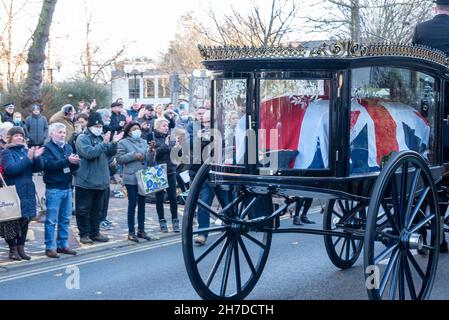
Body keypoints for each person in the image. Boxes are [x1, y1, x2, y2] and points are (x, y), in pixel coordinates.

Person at [413, 0, 449, 254]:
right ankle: (438, 232)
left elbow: (414, 64)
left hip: (424, 106)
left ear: (435, 7)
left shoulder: (421, 29)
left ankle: (419, 224)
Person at [74, 112, 123, 244]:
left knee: (97, 210)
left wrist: (113, 143)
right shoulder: (82, 138)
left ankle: (95, 232)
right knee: (83, 210)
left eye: (101, 125)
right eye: (97, 125)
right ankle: (84, 234)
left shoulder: (101, 137)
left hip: (101, 181)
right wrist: (104, 143)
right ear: (90, 126)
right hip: (86, 182)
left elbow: (110, 153)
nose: (99, 128)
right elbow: (89, 153)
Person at [0, 126, 44, 261]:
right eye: (16, 135)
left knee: (25, 219)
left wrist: (36, 158)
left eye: (21, 136)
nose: (19, 137)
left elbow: (38, 168)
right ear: (10, 138)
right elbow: (11, 169)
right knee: (12, 221)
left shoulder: (26, 151)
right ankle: (12, 250)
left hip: (28, 190)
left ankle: (21, 248)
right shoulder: (6, 153)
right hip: (14, 191)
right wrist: (28, 158)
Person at [41, 123, 80, 258]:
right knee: (51, 220)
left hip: (67, 187)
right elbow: (48, 165)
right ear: (51, 134)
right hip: (54, 188)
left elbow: (72, 167)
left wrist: (75, 163)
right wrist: (66, 161)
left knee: (65, 219)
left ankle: (63, 245)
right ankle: (50, 247)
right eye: (59, 132)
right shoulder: (47, 148)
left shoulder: (68, 147)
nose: (63, 135)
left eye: (64, 133)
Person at [117, 122, 159, 242]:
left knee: (142, 204)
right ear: (129, 131)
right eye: (134, 129)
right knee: (132, 204)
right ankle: (131, 232)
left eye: (138, 129)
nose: (137, 131)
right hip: (131, 177)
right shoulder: (123, 142)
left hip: (143, 176)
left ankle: (141, 230)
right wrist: (134, 155)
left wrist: (151, 150)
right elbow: (119, 159)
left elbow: (150, 161)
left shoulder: (144, 142)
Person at [153, 118, 181, 233]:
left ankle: (175, 220)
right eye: (164, 126)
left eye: (167, 126)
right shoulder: (153, 138)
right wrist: (165, 145)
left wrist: (178, 148)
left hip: (170, 170)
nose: (166, 128)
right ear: (157, 127)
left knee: (173, 198)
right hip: (159, 171)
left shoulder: (171, 138)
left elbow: (177, 155)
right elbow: (156, 155)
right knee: (159, 198)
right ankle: (162, 221)